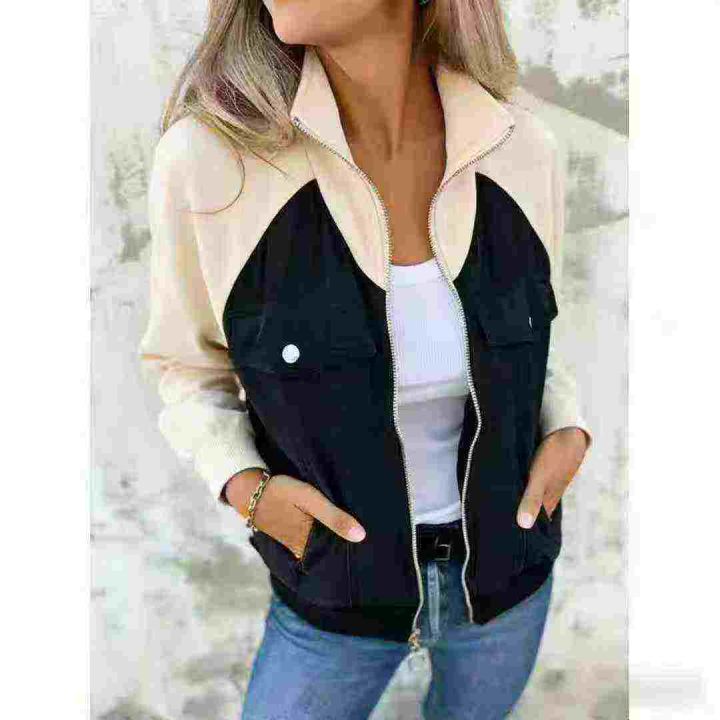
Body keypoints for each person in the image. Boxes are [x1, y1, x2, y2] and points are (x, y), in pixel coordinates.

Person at [138, 0, 593, 717]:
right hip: (335, 593)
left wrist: (567, 428)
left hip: (508, 580)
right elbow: (187, 368)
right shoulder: (211, 162)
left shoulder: (522, 145)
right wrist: (250, 491)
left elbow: (535, 336)